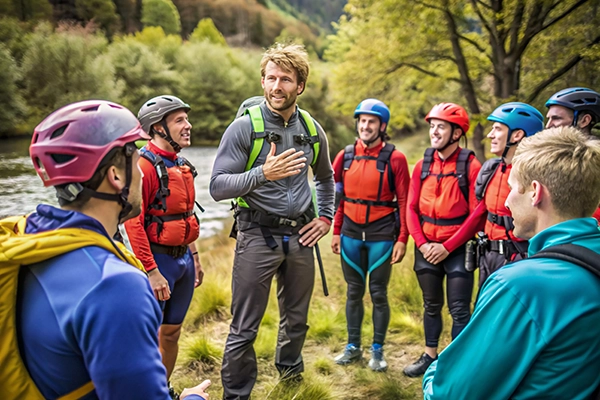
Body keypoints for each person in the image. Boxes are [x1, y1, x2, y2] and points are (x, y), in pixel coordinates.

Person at [1, 100, 209, 399]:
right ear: (116, 176)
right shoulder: (115, 286)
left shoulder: (26, 238)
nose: (142, 169)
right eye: (137, 160)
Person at [423, 126, 600, 399]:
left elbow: (449, 394)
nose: (506, 202)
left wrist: (434, 372)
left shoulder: (519, 286)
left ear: (535, 193)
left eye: (513, 188)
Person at [210, 43, 334, 400]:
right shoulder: (243, 128)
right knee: (244, 326)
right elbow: (217, 186)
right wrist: (262, 173)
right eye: (271, 78)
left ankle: (291, 384)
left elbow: (326, 178)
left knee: (296, 320)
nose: (277, 86)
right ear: (262, 81)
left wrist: (325, 217)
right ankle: (236, 395)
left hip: (300, 237)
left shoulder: (312, 129)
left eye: (286, 79)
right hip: (256, 235)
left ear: (300, 86)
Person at [120, 95, 203, 392]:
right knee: (148, 336)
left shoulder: (181, 163)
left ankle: (163, 390)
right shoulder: (144, 166)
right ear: (158, 127)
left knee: (172, 333)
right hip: (158, 262)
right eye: (179, 120)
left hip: (183, 262)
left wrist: (195, 256)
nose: (188, 125)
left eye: (186, 119)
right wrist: (152, 271)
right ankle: (144, 392)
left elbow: (186, 215)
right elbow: (133, 223)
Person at [330, 99, 410, 372]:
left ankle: (377, 349)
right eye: (362, 121)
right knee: (353, 292)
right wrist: (336, 231)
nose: (365, 126)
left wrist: (402, 238)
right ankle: (353, 346)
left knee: (378, 293)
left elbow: (404, 201)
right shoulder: (345, 155)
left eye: (371, 121)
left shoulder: (395, 159)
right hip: (351, 233)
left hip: (382, 235)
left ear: (382, 126)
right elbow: (338, 198)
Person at [403, 103, 482, 378]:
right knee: (430, 304)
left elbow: (477, 214)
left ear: (457, 133)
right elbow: (410, 208)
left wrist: (448, 247)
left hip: (457, 248)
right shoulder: (423, 164)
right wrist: (423, 244)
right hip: (425, 246)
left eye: (441, 126)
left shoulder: (471, 166)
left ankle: (458, 364)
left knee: (459, 309)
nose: (434, 131)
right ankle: (430, 356)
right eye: (432, 126)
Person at [452, 102, 544, 287]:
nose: (490, 134)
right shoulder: (491, 169)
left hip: (518, 259)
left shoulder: (536, 175)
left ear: (517, 135)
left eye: (497, 129)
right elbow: (480, 213)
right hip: (488, 255)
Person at [545, 87, 600, 221]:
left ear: (584, 121)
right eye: (548, 119)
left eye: (556, 119)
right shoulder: (549, 157)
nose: (548, 125)